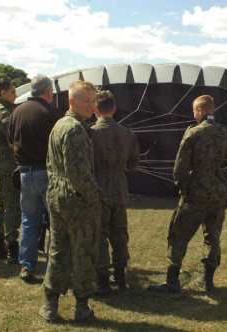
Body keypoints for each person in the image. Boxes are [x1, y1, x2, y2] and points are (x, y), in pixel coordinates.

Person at [147, 95, 227, 293]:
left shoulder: (193, 133)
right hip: (218, 192)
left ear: (200, 111)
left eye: (194, 111)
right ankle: (207, 279)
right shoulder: (224, 133)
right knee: (212, 235)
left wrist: (185, 188)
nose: (193, 114)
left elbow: (179, 168)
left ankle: (172, 280)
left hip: (197, 192)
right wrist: (224, 174)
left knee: (178, 233)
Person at [39, 81, 104, 323]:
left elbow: (49, 164)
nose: (91, 105)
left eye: (93, 100)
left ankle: (50, 304)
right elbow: (79, 175)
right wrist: (95, 198)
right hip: (75, 197)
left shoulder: (60, 125)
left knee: (58, 248)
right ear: (71, 101)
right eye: (86, 100)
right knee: (83, 250)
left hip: (56, 193)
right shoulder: (75, 129)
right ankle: (81, 306)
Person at [8, 74, 61, 282]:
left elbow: (11, 143)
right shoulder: (52, 112)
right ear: (49, 92)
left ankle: (26, 266)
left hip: (24, 173)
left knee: (29, 221)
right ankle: (50, 267)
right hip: (46, 173)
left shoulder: (16, 112)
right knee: (54, 221)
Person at [91, 90, 139, 295]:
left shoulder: (89, 132)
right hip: (119, 186)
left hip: (98, 187)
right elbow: (133, 164)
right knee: (119, 233)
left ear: (95, 110)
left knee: (99, 234)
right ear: (114, 109)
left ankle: (101, 280)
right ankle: (119, 274)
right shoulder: (127, 134)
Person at [0, 78, 21, 264]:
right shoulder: (3, 113)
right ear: (3, 93)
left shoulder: (9, 110)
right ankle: (11, 248)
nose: (15, 95)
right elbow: (13, 140)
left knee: (1, 205)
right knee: (10, 207)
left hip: (6, 166)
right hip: (7, 167)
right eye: (12, 92)